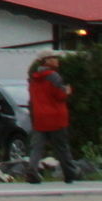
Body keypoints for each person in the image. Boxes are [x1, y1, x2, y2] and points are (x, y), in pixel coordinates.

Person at [26, 53, 77, 184]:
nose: (57, 60)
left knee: (36, 147)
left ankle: (32, 170)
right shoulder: (54, 76)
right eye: (54, 58)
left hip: (39, 117)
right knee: (61, 147)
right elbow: (59, 95)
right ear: (47, 61)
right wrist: (67, 91)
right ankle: (70, 173)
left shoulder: (34, 78)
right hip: (56, 117)